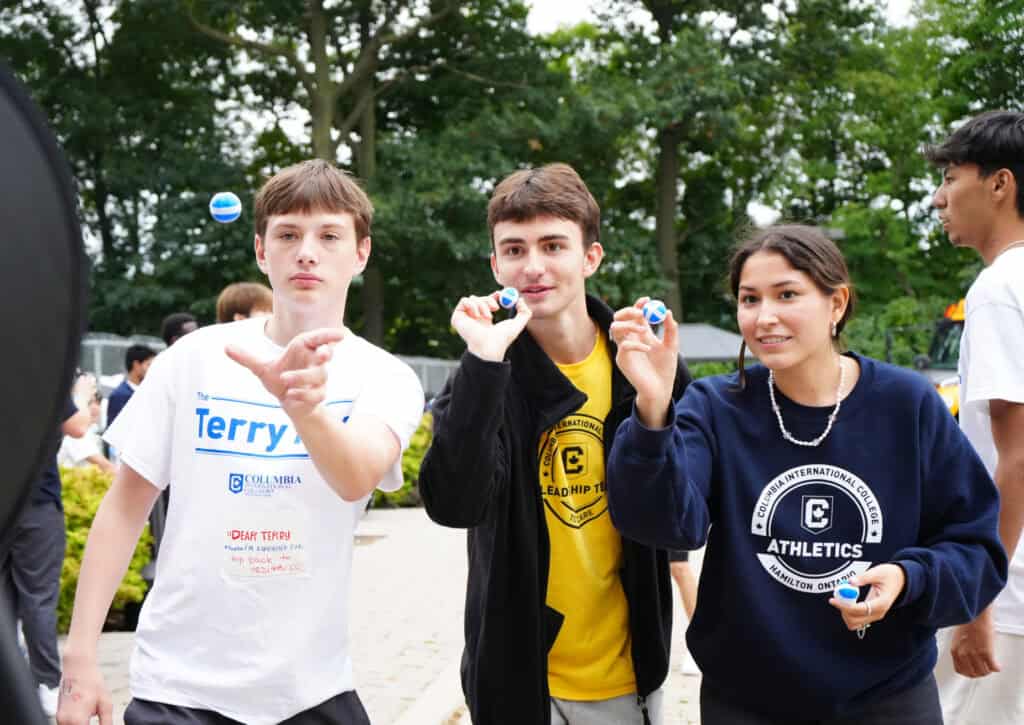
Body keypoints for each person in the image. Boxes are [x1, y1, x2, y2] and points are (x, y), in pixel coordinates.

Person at [56, 159, 424, 725]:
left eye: (329, 236)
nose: (307, 252)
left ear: (361, 253)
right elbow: (125, 507)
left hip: (310, 689)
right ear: (261, 250)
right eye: (288, 234)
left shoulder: (385, 376)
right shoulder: (193, 358)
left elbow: (355, 477)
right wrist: (80, 658)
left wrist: (303, 408)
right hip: (178, 688)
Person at [605, 223, 1008, 724]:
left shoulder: (907, 404)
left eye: (787, 294)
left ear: (836, 303)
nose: (764, 317)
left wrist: (908, 578)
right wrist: (652, 406)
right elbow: (663, 526)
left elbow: (976, 548)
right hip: (746, 702)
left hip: (886, 700)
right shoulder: (714, 407)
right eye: (749, 299)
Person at [419, 163, 691, 724]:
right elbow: (452, 506)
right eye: (514, 250)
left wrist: (654, 408)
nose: (533, 266)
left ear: (590, 257)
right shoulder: (484, 371)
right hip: (514, 680)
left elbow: (681, 521)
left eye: (553, 245)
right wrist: (484, 363)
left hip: (627, 676)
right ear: (495, 266)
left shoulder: (642, 364)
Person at [926, 111, 1024, 724]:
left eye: (950, 177)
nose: (939, 198)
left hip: (1008, 593)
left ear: (999, 184)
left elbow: (1019, 455)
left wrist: (978, 599)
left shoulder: (1000, 289)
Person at [2, 386, 89, 716]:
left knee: (5, 601)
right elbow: (78, 426)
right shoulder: (39, 374)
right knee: (38, 598)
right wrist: (81, 395)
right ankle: (48, 684)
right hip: (36, 504)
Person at [58, 373, 115, 475]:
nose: (95, 408)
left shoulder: (91, 430)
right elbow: (105, 466)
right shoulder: (74, 432)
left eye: (98, 402)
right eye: (89, 402)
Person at [106, 344, 156, 429]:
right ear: (136, 365)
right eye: (149, 365)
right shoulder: (120, 396)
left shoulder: (151, 392)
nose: (153, 370)